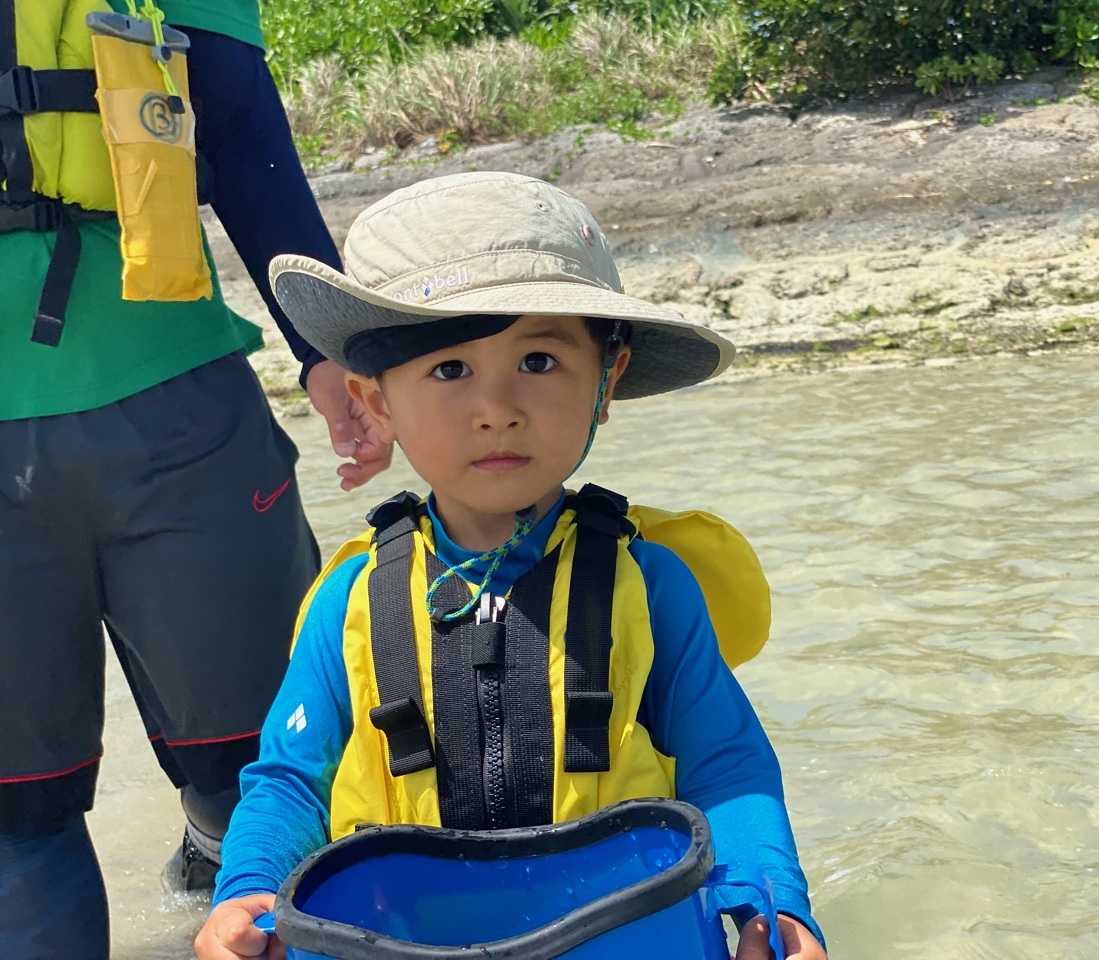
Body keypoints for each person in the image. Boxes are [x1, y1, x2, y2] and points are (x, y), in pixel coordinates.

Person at [194, 171, 828, 960]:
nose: (497, 407)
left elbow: (728, 767)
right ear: (377, 401)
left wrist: (770, 901)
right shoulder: (350, 603)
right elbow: (290, 781)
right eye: (449, 369)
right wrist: (248, 888)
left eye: (537, 359)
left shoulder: (653, 587)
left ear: (608, 379)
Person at [0, 2, 386, 959]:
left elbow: (248, 135)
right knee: (15, 816)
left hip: (183, 418)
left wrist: (327, 351)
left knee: (274, 772)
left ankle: (213, 870)